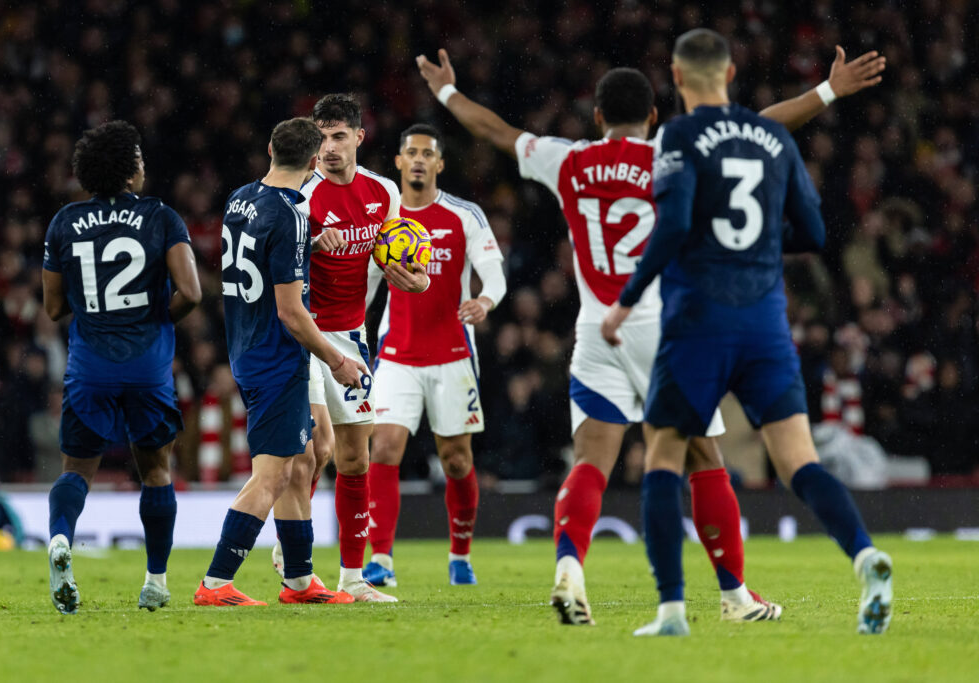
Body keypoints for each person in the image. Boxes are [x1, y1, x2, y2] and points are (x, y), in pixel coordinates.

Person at [416, 42, 885, 625]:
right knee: (702, 457)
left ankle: (569, 565)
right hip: (667, 327)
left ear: (595, 117)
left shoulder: (567, 161)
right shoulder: (670, 148)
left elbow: (494, 129)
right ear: (654, 116)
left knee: (590, 460)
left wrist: (445, 90)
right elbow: (756, 128)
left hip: (596, 328)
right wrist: (829, 91)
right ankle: (734, 594)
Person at [602, 29, 893, 637]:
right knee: (800, 463)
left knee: (662, 457)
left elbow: (676, 224)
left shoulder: (678, 135)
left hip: (699, 325)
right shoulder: (772, 138)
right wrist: (761, 245)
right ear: (730, 74)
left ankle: (672, 611)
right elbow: (813, 232)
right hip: (766, 327)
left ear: (677, 80)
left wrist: (626, 301)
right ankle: (865, 556)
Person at [194, 118, 366, 607]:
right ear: (314, 162)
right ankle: (215, 582)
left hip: (245, 345)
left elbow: (257, 257)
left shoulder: (241, 197)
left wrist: (306, 248)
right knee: (271, 474)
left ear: (270, 148)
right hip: (275, 356)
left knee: (301, 463)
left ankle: (299, 580)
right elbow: (292, 313)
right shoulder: (292, 215)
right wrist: (337, 360)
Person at [270, 94, 428, 603]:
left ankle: (354, 580)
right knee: (318, 446)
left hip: (352, 334)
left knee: (356, 459)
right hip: (306, 333)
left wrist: (416, 280)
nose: (329, 148)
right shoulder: (301, 194)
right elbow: (273, 253)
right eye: (322, 138)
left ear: (359, 137)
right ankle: (294, 549)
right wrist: (311, 245)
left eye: (339, 136)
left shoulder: (384, 193)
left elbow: (398, 254)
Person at [41, 120, 202, 614]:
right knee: (155, 470)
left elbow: (51, 308)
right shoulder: (161, 217)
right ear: (131, 170)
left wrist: (96, 312)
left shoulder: (64, 221)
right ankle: (155, 582)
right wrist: (154, 318)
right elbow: (192, 293)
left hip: (91, 365)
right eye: (139, 157)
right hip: (148, 365)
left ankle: (62, 538)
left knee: (77, 470)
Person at [360, 123, 506, 587]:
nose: (419, 159)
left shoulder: (464, 215)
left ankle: (460, 555)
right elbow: (366, 284)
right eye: (411, 152)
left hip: (452, 354)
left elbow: (495, 276)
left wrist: (484, 302)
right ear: (399, 162)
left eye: (428, 153)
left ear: (440, 164)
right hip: (397, 353)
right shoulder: (382, 216)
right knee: (383, 447)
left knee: (457, 461)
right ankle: (380, 558)